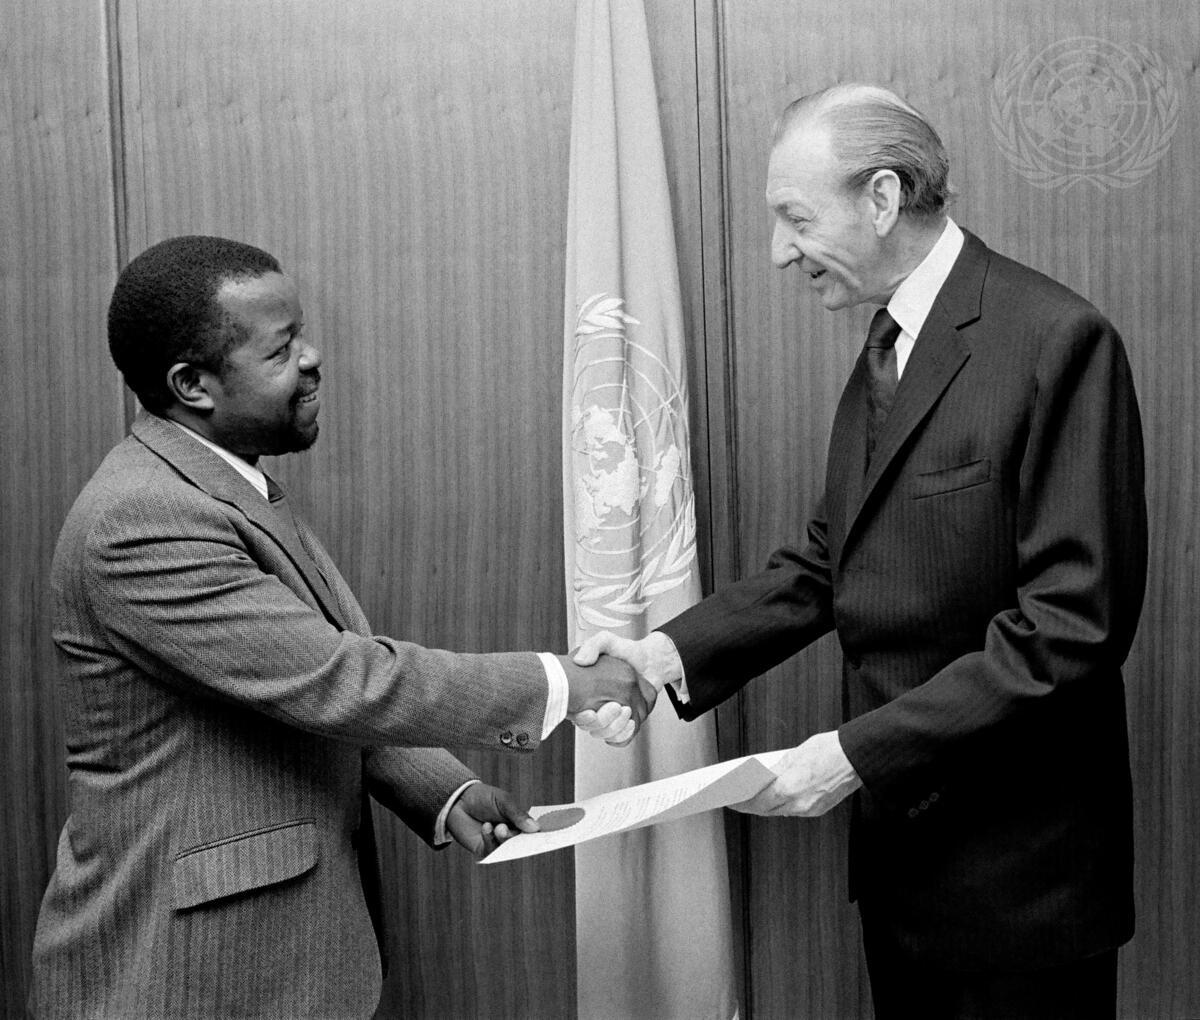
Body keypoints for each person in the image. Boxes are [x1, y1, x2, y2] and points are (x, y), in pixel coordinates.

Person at [576, 83, 1147, 1018]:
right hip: (905, 870)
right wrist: (664, 656)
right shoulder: (890, 340)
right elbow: (829, 561)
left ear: (882, 198)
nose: (778, 251)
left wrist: (850, 755)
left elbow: (1070, 630)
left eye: (796, 218)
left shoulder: (1056, 340)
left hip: (1021, 893)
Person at [30, 235, 652, 1019]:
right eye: (281, 348)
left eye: (303, 333)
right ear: (192, 385)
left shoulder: (228, 489)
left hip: (263, 963)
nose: (313, 358)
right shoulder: (143, 519)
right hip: (180, 975)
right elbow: (339, 681)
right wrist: (565, 682)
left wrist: (446, 792)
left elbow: (296, 689)